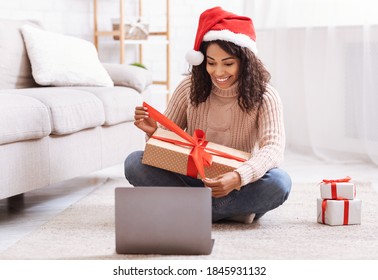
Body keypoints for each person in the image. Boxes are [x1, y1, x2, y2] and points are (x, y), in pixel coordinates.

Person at [124, 6, 292, 224]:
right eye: (211, 63)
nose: (218, 72)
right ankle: (228, 213)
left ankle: (188, 209)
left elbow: (273, 149)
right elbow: (165, 145)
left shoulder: (266, 95)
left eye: (228, 63)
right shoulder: (189, 87)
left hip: (234, 184)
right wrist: (154, 131)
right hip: (191, 178)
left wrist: (237, 177)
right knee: (134, 162)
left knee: (279, 182)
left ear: (245, 61)